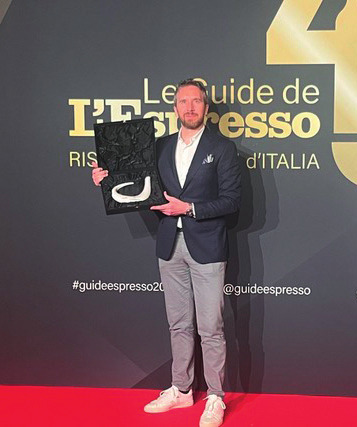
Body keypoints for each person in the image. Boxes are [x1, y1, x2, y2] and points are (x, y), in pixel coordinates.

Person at [92, 78, 241, 427]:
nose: (190, 107)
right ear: (174, 108)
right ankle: (182, 389)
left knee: (211, 328)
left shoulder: (222, 148)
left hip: (207, 246)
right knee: (179, 324)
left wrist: (188, 208)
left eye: (196, 101)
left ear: (206, 108)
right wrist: (105, 180)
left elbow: (232, 200)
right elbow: (135, 182)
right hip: (169, 245)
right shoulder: (159, 147)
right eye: (183, 101)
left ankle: (216, 397)